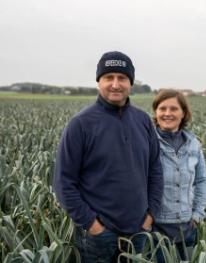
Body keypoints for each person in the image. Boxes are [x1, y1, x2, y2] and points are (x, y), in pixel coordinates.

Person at [53, 51, 163, 263]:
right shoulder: (81, 124)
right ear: (98, 82)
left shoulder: (143, 121)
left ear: (130, 83)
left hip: (138, 232)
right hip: (98, 237)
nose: (115, 84)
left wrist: (150, 217)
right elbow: (63, 182)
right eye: (108, 77)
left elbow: (156, 171)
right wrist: (93, 226)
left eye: (122, 78)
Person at [151, 89, 206, 262]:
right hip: (156, 231)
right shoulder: (146, 141)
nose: (167, 113)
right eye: (162, 109)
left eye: (174, 109)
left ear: (183, 113)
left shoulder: (193, 144)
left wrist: (197, 214)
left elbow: (202, 180)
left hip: (187, 228)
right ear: (156, 112)